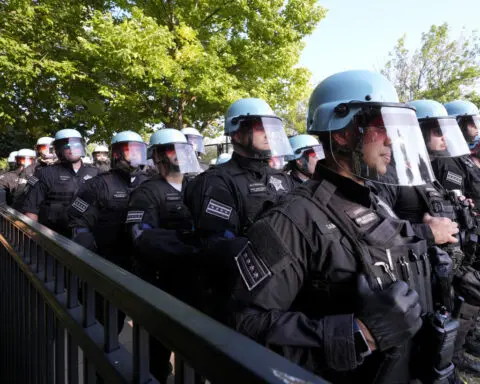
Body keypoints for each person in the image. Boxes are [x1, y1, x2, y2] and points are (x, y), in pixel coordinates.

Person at [231, 70, 454, 383]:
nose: (392, 138)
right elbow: (246, 325)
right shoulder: (292, 219)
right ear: (342, 134)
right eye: (380, 126)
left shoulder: (375, 199)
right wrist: (358, 335)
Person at [126, 128, 200, 384]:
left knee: (195, 354)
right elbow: (142, 236)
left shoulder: (199, 185)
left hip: (197, 284)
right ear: (157, 155)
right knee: (156, 353)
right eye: (170, 149)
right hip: (162, 283)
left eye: (181, 148)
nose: (178, 154)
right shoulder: (147, 192)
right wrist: (193, 249)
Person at [67, 130, 149, 333]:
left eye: (140, 150)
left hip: (141, 266)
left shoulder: (149, 183)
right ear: (117, 154)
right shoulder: (97, 185)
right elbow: (78, 221)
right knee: (108, 324)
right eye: (131, 151)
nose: (136, 156)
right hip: (107, 264)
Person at [184, 98, 294, 247]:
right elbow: (221, 247)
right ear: (237, 134)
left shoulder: (282, 178)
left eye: (270, 128)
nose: (268, 134)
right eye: (259, 128)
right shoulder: (216, 181)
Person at [22, 129, 99, 237]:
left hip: (90, 239)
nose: (72, 149)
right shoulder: (44, 174)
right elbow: (30, 211)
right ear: (58, 149)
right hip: (53, 238)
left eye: (76, 145)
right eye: (67, 146)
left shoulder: (96, 173)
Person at [443, 100, 480, 207]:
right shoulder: (449, 159)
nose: (476, 127)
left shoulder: (464, 155)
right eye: (471, 123)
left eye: (476, 122)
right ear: (458, 125)